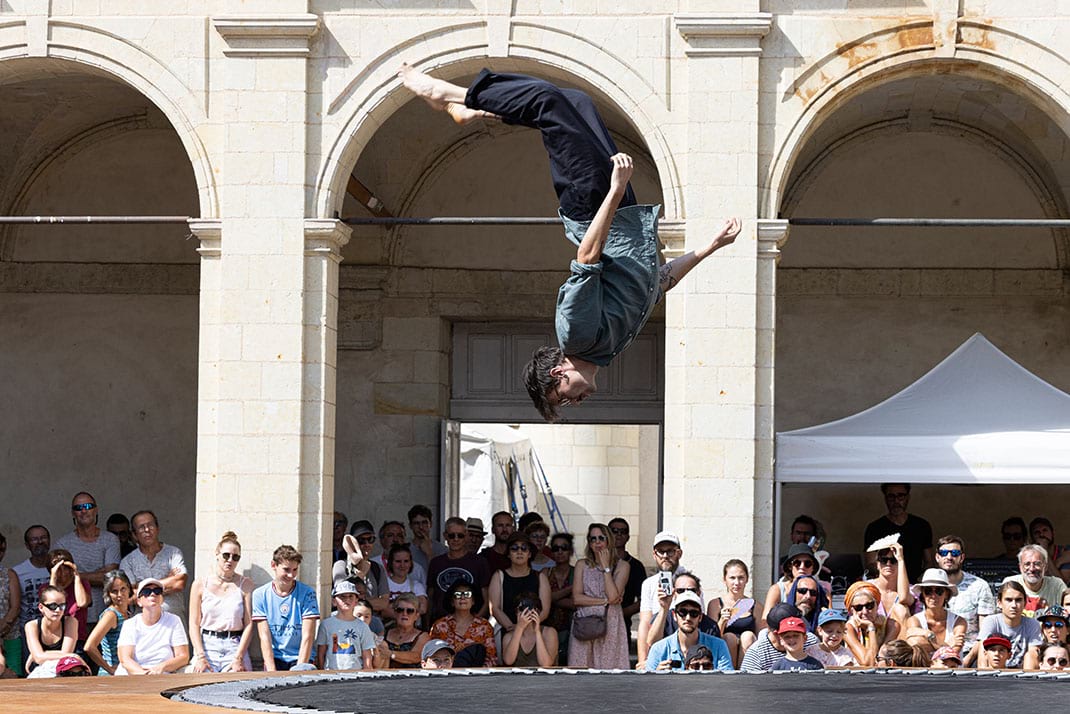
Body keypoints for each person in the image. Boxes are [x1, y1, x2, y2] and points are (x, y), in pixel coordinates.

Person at [398, 64, 741, 421]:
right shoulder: (608, 349)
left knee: (549, 103)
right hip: (620, 216)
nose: (576, 402)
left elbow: (588, 255)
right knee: (576, 102)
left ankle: (450, 96)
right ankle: (474, 111)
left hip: (593, 205)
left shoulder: (576, 335)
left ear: (558, 373)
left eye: (564, 399)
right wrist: (711, 246)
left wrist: (615, 189)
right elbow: (661, 281)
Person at [188, 531, 253, 673]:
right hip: (207, 644)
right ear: (217, 554)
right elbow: (194, 623)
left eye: (235, 557)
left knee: (237, 683)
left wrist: (239, 657)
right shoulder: (200, 584)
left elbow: (249, 624)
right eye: (226, 555)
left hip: (234, 645)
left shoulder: (245, 585)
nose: (230, 560)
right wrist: (200, 656)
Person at [54, 492, 121, 628]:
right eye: (78, 508)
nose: (83, 510)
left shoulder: (110, 539)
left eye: (88, 506)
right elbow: (61, 580)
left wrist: (75, 575)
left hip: (107, 616)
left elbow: (110, 578)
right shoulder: (62, 544)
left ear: (96, 510)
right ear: (73, 513)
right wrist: (99, 573)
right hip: (72, 617)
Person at [568, 523, 629, 668]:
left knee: (609, 668)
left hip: (610, 623)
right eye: (592, 539)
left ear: (609, 540)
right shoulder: (581, 565)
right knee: (581, 668)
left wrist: (606, 567)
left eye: (601, 538)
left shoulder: (622, 566)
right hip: (585, 624)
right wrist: (604, 601)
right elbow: (577, 598)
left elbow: (614, 596)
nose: (597, 542)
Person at [252, 544, 320, 671]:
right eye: (286, 570)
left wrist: (299, 669)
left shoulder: (308, 593)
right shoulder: (260, 594)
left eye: (295, 570)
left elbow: (308, 635)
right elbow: (264, 636)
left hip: (300, 657)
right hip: (275, 657)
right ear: (274, 565)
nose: (291, 575)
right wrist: (272, 672)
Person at [119, 510, 188, 627]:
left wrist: (142, 588)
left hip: (173, 625)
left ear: (157, 528)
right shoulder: (128, 561)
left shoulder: (173, 553)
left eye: (150, 525)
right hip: (143, 629)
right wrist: (168, 579)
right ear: (134, 535)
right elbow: (130, 596)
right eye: (141, 527)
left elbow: (179, 582)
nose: (147, 530)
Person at [936, 534, 994, 660]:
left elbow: (985, 633)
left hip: (970, 653)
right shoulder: (929, 587)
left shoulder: (980, 586)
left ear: (962, 557)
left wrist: (968, 660)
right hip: (935, 651)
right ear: (937, 557)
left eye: (955, 553)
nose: (949, 557)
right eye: (944, 553)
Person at [115, 578, 189, 675]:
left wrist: (162, 667)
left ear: (162, 599)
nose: (152, 594)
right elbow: (125, 659)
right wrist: (143, 674)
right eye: (146, 592)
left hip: (164, 674)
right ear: (139, 601)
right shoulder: (130, 624)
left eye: (157, 591)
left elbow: (183, 656)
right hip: (136, 674)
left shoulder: (174, 620)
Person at [644, 591, 733, 672]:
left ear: (700, 617)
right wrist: (656, 676)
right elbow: (648, 686)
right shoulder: (658, 649)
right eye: (683, 612)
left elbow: (727, 683)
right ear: (674, 615)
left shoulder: (719, 646)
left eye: (694, 613)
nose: (688, 618)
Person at [862, 483, 933, 582]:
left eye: (901, 496)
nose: (896, 501)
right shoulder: (875, 528)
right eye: (891, 496)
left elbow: (929, 562)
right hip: (886, 586)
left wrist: (921, 581)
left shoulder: (921, 526)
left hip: (914, 585)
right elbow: (870, 563)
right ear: (885, 499)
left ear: (908, 497)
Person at [637, 530, 687, 667]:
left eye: (670, 551)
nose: (665, 556)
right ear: (654, 554)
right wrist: (643, 661)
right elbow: (644, 623)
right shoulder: (648, 584)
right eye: (660, 551)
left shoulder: (689, 580)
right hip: (657, 643)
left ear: (679, 553)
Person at [426, 517, 491, 622]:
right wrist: (427, 625)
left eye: (460, 536)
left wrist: (475, 622)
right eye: (452, 536)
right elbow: (430, 598)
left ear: (466, 537)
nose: (456, 539)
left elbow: (487, 599)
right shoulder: (436, 563)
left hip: (472, 625)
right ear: (445, 536)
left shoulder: (479, 562)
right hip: (440, 624)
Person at [489, 532, 550, 634]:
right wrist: (511, 627)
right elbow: (495, 608)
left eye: (524, 548)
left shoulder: (540, 577)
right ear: (508, 554)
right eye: (514, 548)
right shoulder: (499, 576)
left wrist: (529, 627)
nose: (519, 551)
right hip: (508, 632)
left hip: (534, 631)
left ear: (530, 554)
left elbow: (545, 610)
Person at [645, 572, 720, 653]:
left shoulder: (710, 625)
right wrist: (664, 608)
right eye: (680, 590)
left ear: (699, 593)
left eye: (694, 613)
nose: (686, 594)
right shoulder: (662, 617)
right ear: (673, 593)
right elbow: (652, 644)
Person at [429, 578, 496, 667]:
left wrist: (477, 676)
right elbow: (431, 658)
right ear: (452, 601)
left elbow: (491, 659)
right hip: (446, 676)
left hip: (477, 677)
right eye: (458, 594)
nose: (463, 597)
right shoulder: (439, 625)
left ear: (473, 601)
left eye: (467, 594)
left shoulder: (484, 625)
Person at [707, 559, 760, 668]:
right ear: (724, 580)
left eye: (741, 578)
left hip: (748, 654)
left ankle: (745, 675)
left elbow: (760, 638)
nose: (737, 583)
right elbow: (711, 638)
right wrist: (722, 621)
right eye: (732, 578)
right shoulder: (715, 604)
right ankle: (729, 674)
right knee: (729, 637)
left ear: (747, 579)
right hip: (723, 654)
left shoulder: (756, 606)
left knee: (748, 636)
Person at [975, 581, 1041, 668]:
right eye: (1008, 600)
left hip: (1022, 675)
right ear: (999, 603)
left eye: (1018, 600)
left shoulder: (1033, 624)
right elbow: (983, 656)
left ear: (1025, 603)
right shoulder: (991, 621)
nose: (1014, 605)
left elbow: (1033, 654)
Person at [739, 603, 821, 672]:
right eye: (786, 635)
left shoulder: (811, 642)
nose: (792, 639)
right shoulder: (757, 653)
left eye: (796, 634)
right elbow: (748, 684)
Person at [14, 524, 52, 669]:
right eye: (34, 539)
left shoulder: (58, 568)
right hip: (29, 633)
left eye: (43, 538)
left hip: (56, 631)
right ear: (27, 545)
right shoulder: (18, 572)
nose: (39, 541)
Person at [315, 580, 376, 671]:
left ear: (356, 601)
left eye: (351, 596)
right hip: (331, 674)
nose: (347, 600)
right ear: (334, 601)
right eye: (342, 597)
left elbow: (367, 655)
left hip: (355, 674)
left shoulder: (362, 626)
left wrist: (367, 674)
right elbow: (321, 652)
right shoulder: (326, 624)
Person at [903, 568, 965, 653]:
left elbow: (954, 653)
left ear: (946, 594)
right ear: (923, 594)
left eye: (939, 591)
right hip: (924, 666)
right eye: (928, 591)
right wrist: (931, 635)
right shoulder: (914, 620)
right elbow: (914, 643)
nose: (933, 596)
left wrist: (927, 643)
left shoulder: (959, 621)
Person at [83, 570, 133, 675]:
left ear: (129, 588)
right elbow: (89, 646)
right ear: (108, 594)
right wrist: (110, 669)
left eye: (123, 589)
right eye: (114, 591)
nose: (120, 595)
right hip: (112, 675)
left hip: (126, 671)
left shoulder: (128, 613)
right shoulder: (110, 615)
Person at [762, 543, 825, 623]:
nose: (802, 567)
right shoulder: (778, 590)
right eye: (797, 563)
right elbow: (765, 621)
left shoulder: (822, 590)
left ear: (813, 568)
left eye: (807, 564)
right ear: (790, 566)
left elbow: (831, 621)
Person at [843, 581, 900, 666]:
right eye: (858, 607)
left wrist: (870, 628)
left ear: (877, 605)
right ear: (852, 610)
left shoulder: (892, 625)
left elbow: (881, 658)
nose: (865, 611)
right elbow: (868, 662)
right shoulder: (848, 629)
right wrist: (871, 628)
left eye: (869, 606)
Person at [23, 584, 78, 673]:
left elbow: (66, 654)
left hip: (64, 671)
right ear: (41, 607)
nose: (58, 610)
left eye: (62, 606)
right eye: (53, 606)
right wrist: (37, 656)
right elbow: (38, 658)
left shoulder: (71, 622)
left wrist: (41, 654)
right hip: (40, 672)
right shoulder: (31, 626)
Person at [1002, 544, 1067, 616]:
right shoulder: (1011, 583)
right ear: (1020, 567)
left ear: (1045, 567)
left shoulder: (1057, 585)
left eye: (1037, 564)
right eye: (1027, 564)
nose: (1032, 569)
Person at [608, 517, 646, 638]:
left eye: (623, 531)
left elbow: (643, 601)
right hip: (593, 625)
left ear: (628, 537)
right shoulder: (595, 563)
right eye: (614, 531)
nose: (618, 534)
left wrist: (618, 614)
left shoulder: (636, 566)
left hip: (622, 627)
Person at [46, 549, 91, 651]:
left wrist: (76, 576)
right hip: (55, 641)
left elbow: (82, 602)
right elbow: (52, 605)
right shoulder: (46, 589)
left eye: (66, 568)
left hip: (78, 640)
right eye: (59, 570)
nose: (62, 573)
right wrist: (53, 576)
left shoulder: (81, 584)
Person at [501, 592, 558, 667]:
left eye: (530, 608)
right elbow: (508, 661)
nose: (526, 612)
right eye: (522, 609)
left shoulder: (549, 633)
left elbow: (545, 663)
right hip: (518, 678)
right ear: (516, 612)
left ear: (538, 611)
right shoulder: (508, 637)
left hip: (543, 678)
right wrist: (519, 628)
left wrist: (537, 631)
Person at [377, 592, 429, 669]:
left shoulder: (422, 636)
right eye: (400, 610)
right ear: (395, 613)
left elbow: (416, 656)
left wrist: (390, 654)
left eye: (410, 611)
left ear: (416, 615)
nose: (405, 614)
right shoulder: (384, 633)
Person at [867, 542, 915, 625]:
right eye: (883, 560)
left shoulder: (910, 590)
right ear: (877, 564)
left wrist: (900, 559)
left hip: (900, 636)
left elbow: (904, 598)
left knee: (901, 609)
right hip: (872, 633)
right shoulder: (866, 587)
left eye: (893, 561)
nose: (888, 564)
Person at [546, 532, 575, 662]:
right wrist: (570, 589)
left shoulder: (577, 572)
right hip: (548, 628)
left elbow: (577, 603)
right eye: (556, 548)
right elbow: (542, 600)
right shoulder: (546, 573)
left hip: (573, 629)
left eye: (564, 548)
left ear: (571, 551)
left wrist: (551, 599)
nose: (560, 551)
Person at [334, 520, 382, 594]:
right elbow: (345, 596)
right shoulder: (341, 566)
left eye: (370, 539)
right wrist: (361, 575)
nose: (367, 544)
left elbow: (384, 602)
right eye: (361, 540)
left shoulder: (377, 568)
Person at [381, 544, 428, 619]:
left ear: (410, 563)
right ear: (390, 563)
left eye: (406, 561)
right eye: (398, 561)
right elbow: (383, 611)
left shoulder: (417, 586)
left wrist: (392, 607)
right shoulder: (382, 583)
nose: (402, 565)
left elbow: (423, 608)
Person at [376, 521, 427, 586]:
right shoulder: (373, 565)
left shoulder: (417, 569)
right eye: (390, 535)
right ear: (381, 540)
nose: (395, 539)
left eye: (399, 536)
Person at [0, 533, 22, 677]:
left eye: (2, 549)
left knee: (14, 678)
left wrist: (2, 626)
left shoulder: (9, 574)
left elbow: (15, 607)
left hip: (10, 634)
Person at [1022, 605, 1069, 670]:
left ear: (1068, 630)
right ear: (1043, 630)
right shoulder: (1033, 656)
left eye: (1058, 625)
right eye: (1048, 625)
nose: (1053, 630)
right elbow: (1027, 679)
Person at [408, 505, 448, 576]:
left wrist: (429, 553)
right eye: (416, 523)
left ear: (431, 524)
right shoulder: (404, 549)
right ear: (410, 526)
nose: (421, 527)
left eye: (424, 523)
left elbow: (442, 576)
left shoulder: (443, 550)